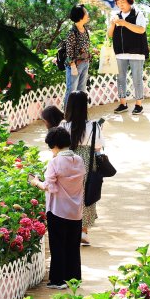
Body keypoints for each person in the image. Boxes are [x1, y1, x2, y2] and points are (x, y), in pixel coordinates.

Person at [28, 127, 86, 289]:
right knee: (73, 246)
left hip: (58, 210)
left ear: (54, 145)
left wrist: (36, 182)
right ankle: (74, 278)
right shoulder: (79, 160)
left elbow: (50, 186)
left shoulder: (55, 162)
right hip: (75, 211)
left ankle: (58, 280)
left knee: (58, 245)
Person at [61, 90, 104, 246]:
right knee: (86, 196)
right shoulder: (94, 125)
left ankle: (69, 231)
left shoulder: (64, 126)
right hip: (87, 162)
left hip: (67, 162)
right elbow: (99, 146)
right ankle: (83, 232)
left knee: (67, 197)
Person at [107, 0, 148, 116]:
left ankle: (138, 105)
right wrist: (113, 24)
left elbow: (141, 30)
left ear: (129, 1)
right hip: (120, 53)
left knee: (137, 79)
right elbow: (109, 35)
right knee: (120, 79)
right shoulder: (116, 16)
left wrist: (124, 23)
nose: (121, 5)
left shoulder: (138, 14)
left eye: (123, 2)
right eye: (118, 3)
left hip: (136, 52)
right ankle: (123, 103)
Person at [64, 4, 92, 108]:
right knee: (71, 91)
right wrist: (73, 66)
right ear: (80, 16)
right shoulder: (72, 32)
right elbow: (69, 52)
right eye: (86, 12)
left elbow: (84, 46)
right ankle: (67, 117)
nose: (87, 14)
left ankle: (79, 116)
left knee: (81, 91)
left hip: (85, 63)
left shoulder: (85, 29)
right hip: (74, 66)